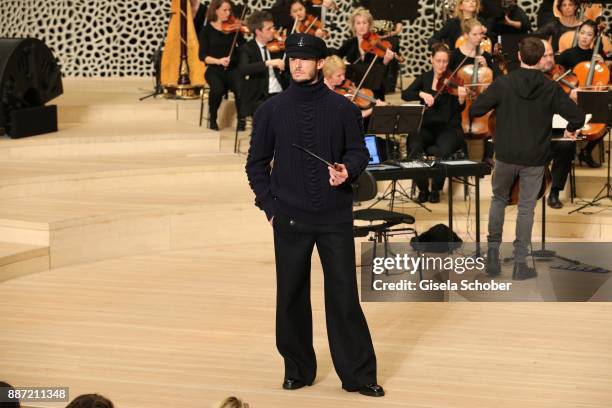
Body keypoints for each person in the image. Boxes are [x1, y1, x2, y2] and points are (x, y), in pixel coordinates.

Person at [245, 32, 384, 398]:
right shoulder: (271, 110)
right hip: (288, 217)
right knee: (290, 296)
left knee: (343, 296)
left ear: (321, 63)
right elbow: (256, 164)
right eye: (292, 58)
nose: (297, 64)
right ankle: (297, 369)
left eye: (305, 59)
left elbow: (359, 153)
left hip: (334, 216)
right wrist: (269, 207)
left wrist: (346, 170)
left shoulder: (343, 109)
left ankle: (358, 374)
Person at [470, 37, 584, 279]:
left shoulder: (504, 83)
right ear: (542, 58)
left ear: (520, 57)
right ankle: (520, 265)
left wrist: (499, 106)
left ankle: (492, 257)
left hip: (505, 155)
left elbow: (476, 109)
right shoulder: (550, 87)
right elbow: (576, 117)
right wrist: (570, 129)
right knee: (526, 208)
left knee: (499, 199)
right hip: (535, 157)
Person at [402, 43, 468, 203]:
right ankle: (422, 188)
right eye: (438, 61)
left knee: (443, 150)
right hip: (425, 127)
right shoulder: (424, 78)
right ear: (431, 60)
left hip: (449, 128)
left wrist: (461, 98)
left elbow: (459, 109)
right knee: (414, 146)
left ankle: (436, 189)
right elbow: (406, 94)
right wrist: (422, 94)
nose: (441, 65)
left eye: (445, 61)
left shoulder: (454, 81)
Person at [556, 19, 607, 169]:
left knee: (607, 120)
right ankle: (567, 152)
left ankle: (586, 151)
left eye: (589, 34)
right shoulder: (567, 55)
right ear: (578, 33)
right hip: (570, 98)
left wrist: (602, 63)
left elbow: (603, 80)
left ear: (594, 38)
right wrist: (569, 91)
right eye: (582, 33)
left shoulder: (596, 56)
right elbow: (556, 79)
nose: (585, 37)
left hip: (590, 99)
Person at [449, 18, 502, 164]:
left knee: (493, 116)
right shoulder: (456, 55)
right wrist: (459, 90)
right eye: (475, 34)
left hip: (482, 98)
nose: (480, 37)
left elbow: (496, 80)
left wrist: (488, 67)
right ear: (466, 35)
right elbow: (448, 79)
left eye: (481, 34)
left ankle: (488, 157)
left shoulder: (485, 55)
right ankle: (464, 155)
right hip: (460, 99)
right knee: (454, 116)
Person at [538, 39, 580, 209]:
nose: (549, 59)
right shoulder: (531, 77)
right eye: (544, 56)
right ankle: (536, 184)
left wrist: (574, 98)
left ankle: (554, 191)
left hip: (559, 128)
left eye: (551, 55)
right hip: (537, 129)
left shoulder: (561, 72)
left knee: (566, 146)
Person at [199, 0, 246, 130]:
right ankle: (213, 118)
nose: (228, 13)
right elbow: (202, 56)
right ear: (216, 10)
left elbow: (243, 47)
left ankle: (241, 119)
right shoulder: (207, 30)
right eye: (225, 10)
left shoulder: (233, 28)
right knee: (217, 89)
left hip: (233, 69)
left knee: (240, 87)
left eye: (229, 10)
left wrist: (240, 31)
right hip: (214, 69)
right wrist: (219, 61)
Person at [333, 7, 396, 100]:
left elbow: (383, 71)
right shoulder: (350, 43)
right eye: (358, 23)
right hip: (354, 88)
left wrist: (386, 60)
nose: (361, 26)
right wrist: (343, 66)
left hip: (374, 88)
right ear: (354, 26)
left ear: (369, 25)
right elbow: (336, 57)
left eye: (364, 23)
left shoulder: (377, 43)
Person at [238, 10, 289, 118]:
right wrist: (268, 63)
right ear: (258, 32)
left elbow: (287, 66)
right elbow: (243, 69)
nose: (273, 31)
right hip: (258, 96)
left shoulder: (277, 46)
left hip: (280, 92)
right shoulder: (247, 48)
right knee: (268, 113)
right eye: (269, 29)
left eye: (273, 27)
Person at [322, 55, 386, 120]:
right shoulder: (326, 94)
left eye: (343, 74)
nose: (343, 78)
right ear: (328, 76)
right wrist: (374, 109)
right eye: (339, 76)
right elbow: (353, 116)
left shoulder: (335, 86)